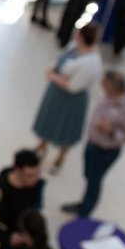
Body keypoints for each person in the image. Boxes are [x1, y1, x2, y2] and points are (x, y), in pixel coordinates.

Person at [63, 70, 125, 218]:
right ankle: (83, 203)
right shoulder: (108, 97)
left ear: (112, 87)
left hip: (105, 152)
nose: (101, 87)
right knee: (88, 176)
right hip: (92, 144)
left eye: (103, 84)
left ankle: (84, 214)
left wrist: (111, 132)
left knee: (94, 182)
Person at [33, 23, 104, 174]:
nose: (75, 36)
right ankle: (42, 145)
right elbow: (60, 59)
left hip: (72, 101)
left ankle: (60, 158)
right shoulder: (74, 46)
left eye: (78, 34)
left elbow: (73, 87)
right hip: (56, 95)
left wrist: (53, 76)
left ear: (83, 37)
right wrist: (53, 69)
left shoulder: (91, 62)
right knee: (49, 121)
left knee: (66, 128)